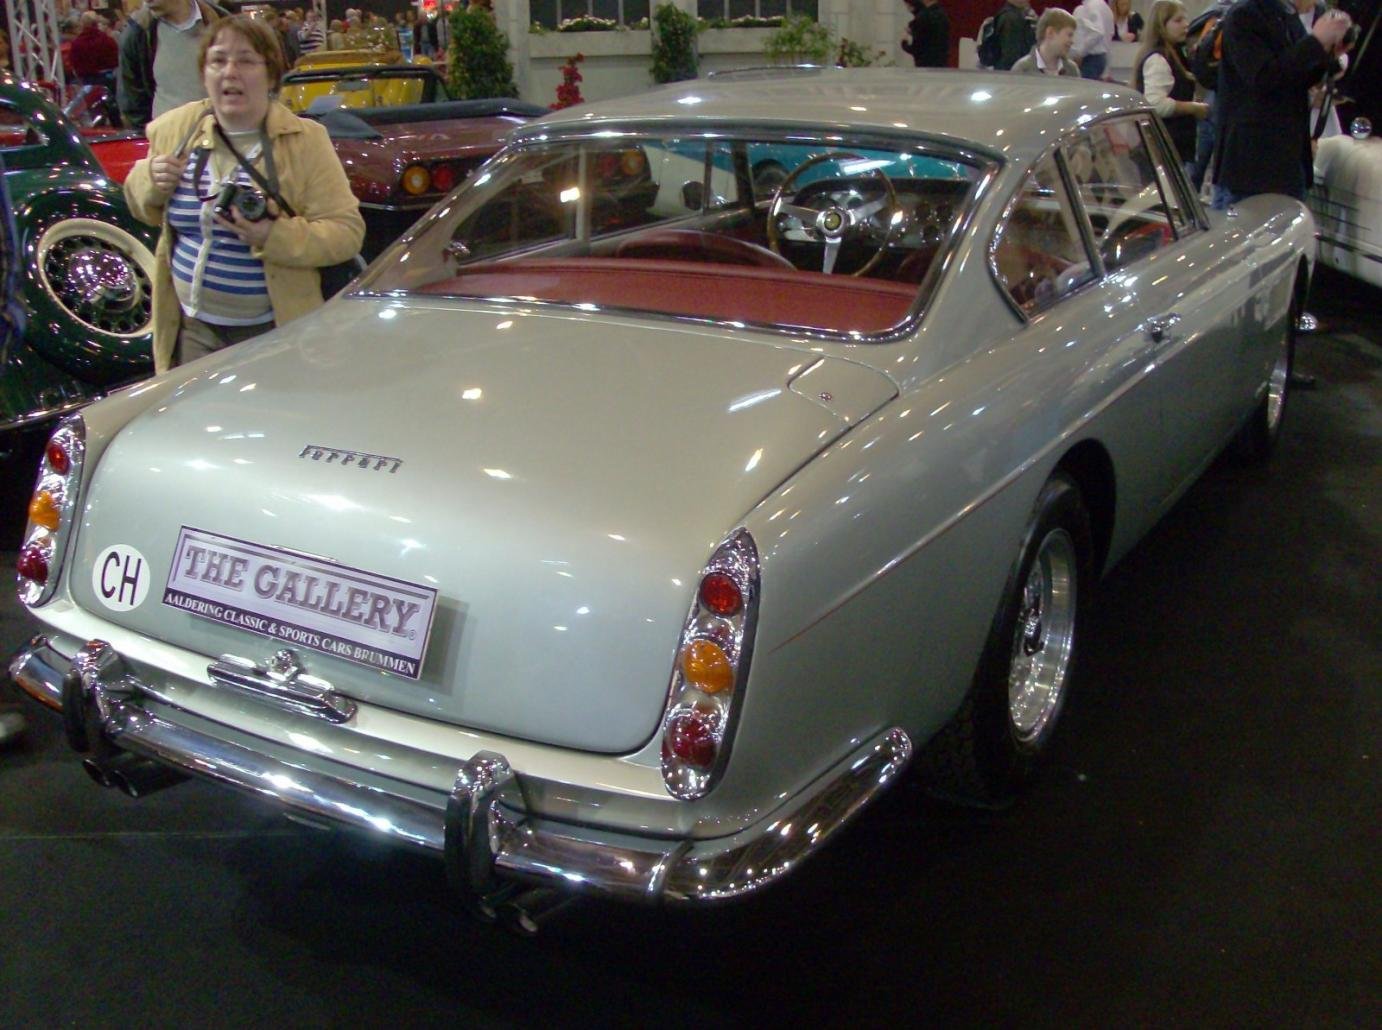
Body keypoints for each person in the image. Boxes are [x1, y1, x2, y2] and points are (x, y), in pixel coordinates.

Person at [123, 14, 365, 373]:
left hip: (273, 332)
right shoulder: (176, 130)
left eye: (246, 60)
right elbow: (139, 207)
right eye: (218, 60)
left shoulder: (305, 141)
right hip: (191, 330)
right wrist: (149, 180)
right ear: (204, 74)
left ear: (271, 75)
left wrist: (273, 235)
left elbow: (347, 233)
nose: (230, 72)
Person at [1213, 0, 1352, 206]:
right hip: (1253, 163)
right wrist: (1315, 41)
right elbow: (1263, 77)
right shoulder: (1245, 14)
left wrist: (1330, 56)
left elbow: (1295, 74)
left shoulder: (1286, 16)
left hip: (1289, 161)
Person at [118, 0, 228, 132]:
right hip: (166, 137)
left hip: (218, 135)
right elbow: (133, 102)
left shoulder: (222, 21)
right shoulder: (138, 32)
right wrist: (150, 136)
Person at [1133, 1, 1210, 172]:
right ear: (1161, 25)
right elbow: (1156, 104)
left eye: (1185, 19)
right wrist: (1193, 108)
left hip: (1172, 147)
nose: (1186, 24)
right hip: (1161, 149)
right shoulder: (1158, 59)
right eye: (1178, 20)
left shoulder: (1176, 53)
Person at [1012, 8, 1081, 75]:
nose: (1072, 41)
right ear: (1050, 32)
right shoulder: (1022, 69)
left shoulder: (1072, 70)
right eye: (1069, 35)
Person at [1072, 0, 1116, 79]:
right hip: (1100, 57)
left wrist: (1080, 53)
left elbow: (1098, 32)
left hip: (1090, 59)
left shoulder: (1091, 6)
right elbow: (1110, 34)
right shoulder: (1106, 8)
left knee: (1084, 86)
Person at [902, 0, 950, 69]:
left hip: (925, 65)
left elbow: (916, 48)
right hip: (941, 63)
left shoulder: (923, 17)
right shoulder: (943, 15)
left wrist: (904, 43)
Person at [992, 0, 1038, 72]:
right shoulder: (1010, 18)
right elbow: (1011, 57)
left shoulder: (1023, 15)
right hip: (1012, 74)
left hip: (1014, 72)